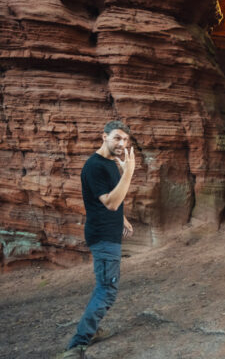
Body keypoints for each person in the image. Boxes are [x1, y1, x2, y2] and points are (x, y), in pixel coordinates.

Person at [63, 120, 136, 359]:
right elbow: (110, 202)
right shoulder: (95, 166)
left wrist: (122, 218)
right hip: (103, 236)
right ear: (103, 137)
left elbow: (112, 197)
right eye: (116, 138)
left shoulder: (108, 163)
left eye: (125, 140)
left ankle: (89, 332)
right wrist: (130, 172)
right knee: (107, 289)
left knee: (104, 286)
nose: (122, 144)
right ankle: (78, 344)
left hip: (108, 231)